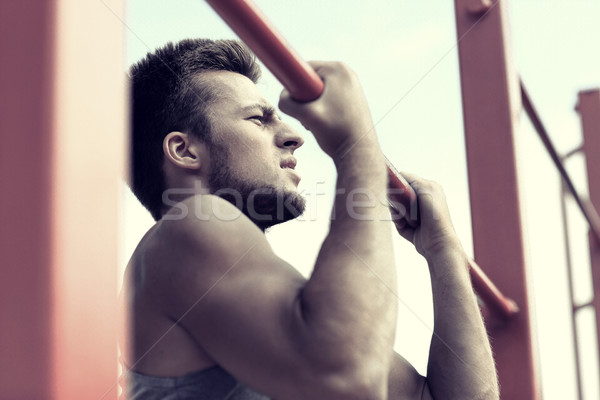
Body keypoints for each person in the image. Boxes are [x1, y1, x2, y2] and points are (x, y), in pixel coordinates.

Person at [119, 38, 499, 400]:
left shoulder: (261, 294)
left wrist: (442, 249)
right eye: (259, 119)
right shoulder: (188, 224)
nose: (293, 135)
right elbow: (349, 376)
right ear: (184, 151)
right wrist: (357, 143)